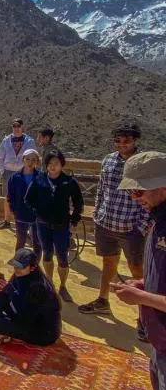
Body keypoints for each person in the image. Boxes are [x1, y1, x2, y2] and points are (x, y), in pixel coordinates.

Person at [111, 151, 166, 390]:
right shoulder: (157, 222)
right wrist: (144, 286)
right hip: (160, 343)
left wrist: (143, 298)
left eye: (139, 191)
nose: (134, 199)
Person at [79, 123, 151, 328]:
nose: (121, 144)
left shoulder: (143, 164)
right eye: (118, 140)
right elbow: (102, 189)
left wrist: (142, 227)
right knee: (108, 264)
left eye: (126, 140)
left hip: (131, 227)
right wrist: (98, 212)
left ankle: (145, 317)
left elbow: (150, 196)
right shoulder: (108, 160)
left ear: (135, 140)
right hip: (107, 222)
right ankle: (103, 300)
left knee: (138, 272)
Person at [25, 150, 84, 303]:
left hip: (61, 226)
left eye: (56, 164)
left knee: (63, 257)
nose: (52, 167)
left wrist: (74, 221)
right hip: (43, 225)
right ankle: (49, 283)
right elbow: (28, 199)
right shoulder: (39, 180)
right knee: (47, 253)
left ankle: (63, 286)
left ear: (61, 165)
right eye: (50, 164)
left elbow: (78, 204)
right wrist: (38, 212)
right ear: (46, 165)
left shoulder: (69, 182)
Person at [0, 248, 61, 348]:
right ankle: (0, 332)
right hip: (25, 315)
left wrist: (9, 290)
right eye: (15, 266)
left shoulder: (38, 287)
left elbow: (26, 315)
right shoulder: (20, 275)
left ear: (32, 267)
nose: (17, 269)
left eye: (21, 267)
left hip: (42, 331)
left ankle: (0, 331)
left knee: (1, 324)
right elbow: (11, 297)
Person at [0, 118, 36, 229]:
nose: (16, 128)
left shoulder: (29, 141)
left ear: (22, 127)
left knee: (24, 196)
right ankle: (7, 220)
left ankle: (23, 221)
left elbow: (33, 157)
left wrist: (29, 171)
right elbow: (0, 158)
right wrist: (2, 171)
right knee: (8, 197)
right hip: (8, 172)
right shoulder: (5, 140)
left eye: (18, 126)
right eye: (14, 126)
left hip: (23, 172)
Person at [7, 148, 42, 258]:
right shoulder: (14, 177)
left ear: (37, 161)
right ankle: (18, 265)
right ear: (23, 159)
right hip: (21, 215)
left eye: (33, 160)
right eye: (28, 159)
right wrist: (13, 209)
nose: (30, 162)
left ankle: (34, 268)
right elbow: (10, 196)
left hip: (36, 216)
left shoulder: (41, 177)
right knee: (20, 242)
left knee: (37, 243)